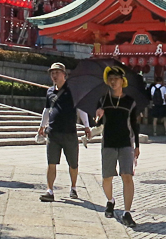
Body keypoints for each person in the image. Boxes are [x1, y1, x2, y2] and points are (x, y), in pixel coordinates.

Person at [38, 62, 90, 202]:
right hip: (53, 132)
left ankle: (73, 187)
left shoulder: (73, 90)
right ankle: (49, 190)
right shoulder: (49, 91)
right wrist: (42, 126)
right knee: (51, 163)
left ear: (64, 74)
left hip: (70, 133)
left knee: (73, 164)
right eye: (52, 73)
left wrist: (86, 126)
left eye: (57, 73)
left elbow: (81, 108)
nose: (54, 76)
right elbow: (47, 110)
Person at [95, 66, 140, 228]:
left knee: (127, 176)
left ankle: (127, 213)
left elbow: (134, 124)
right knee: (107, 177)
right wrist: (98, 116)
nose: (113, 81)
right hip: (108, 142)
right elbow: (99, 123)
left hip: (126, 143)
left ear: (123, 81)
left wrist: (137, 146)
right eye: (110, 78)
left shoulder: (130, 102)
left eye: (116, 78)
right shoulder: (103, 100)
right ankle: (110, 201)